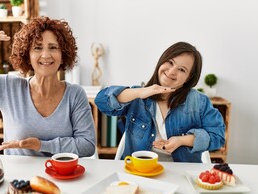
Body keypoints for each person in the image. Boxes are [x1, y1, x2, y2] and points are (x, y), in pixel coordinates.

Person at [0, 17, 96, 157]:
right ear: (27, 55)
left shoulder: (75, 94)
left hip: (62, 178)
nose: (45, 55)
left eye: (53, 48)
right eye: (37, 48)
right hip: (18, 180)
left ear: (63, 54)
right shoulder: (8, 87)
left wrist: (41, 145)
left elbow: (87, 146)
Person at [95, 42, 225, 162]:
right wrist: (141, 92)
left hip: (180, 173)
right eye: (170, 62)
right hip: (138, 170)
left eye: (182, 70)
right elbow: (101, 101)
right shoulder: (138, 96)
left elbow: (217, 136)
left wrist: (182, 140)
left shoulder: (199, 102)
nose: (172, 71)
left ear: (189, 78)